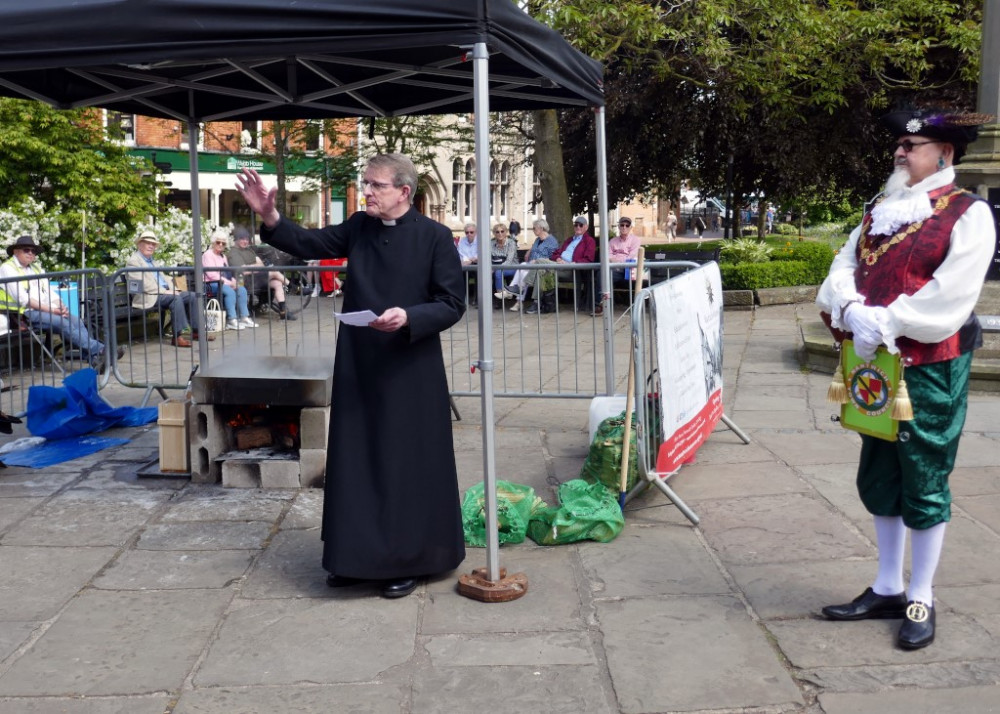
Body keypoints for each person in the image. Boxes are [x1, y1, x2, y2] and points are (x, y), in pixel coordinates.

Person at [235, 153, 466, 599]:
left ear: (404, 191)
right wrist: (268, 213)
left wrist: (409, 315)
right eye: (366, 184)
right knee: (357, 459)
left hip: (409, 367)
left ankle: (409, 559)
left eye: (376, 185)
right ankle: (356, 558)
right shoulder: (359, 226)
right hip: (361, 362)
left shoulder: (436, 237)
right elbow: (308, 243)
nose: (367, 192)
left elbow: (451, 302)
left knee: (402, 462)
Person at [816, 107, 996, 650]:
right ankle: (888, 585)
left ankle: (923, 594)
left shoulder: (970, 213)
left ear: (945, 153)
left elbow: (952, 293)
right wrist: (848, 309)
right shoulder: (882, 208)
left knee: (924, 473)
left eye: (912, 144)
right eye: (899, 142)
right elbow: (843, 264)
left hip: (932, 366)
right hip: (875, 363)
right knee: (880, 471)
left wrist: (885, 321)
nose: (901, 151)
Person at [0, 235, 123, 370]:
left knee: (77, 321)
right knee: (62, 322)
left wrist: (60, 304)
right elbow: (23, 299)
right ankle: (101, 349)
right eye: (26, 250)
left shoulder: (36, 268)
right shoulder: (7, 268)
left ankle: (94, 360)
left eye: (33, 251)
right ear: (16, 252)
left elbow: (48, 291)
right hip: (22, 315)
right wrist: (52, 310)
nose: (30, 253)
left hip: (45, 310)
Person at [126, 230, 214, 347]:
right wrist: (165, 291)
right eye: (148, 243)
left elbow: (165, 279)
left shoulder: (153, 261)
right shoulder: (133, 262)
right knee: (175, 299)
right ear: (140, 244)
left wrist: (174, 289)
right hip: (148, 296)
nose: (151, 246)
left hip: (163, 293)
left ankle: (197, 332)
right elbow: (142, 285)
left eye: (153, 244)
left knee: (192, 296)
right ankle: (177, 336)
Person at [226, 226, 297, 321]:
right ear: (236, 239)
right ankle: (293, 287)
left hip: (256, 278)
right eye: (242, 239)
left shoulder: (249, 250)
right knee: (274, 271)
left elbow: (261, 264)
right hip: (243, 281)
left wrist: (252, 266)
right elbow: (242, 270)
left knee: (277, 283)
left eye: (247, 239)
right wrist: (255, 266)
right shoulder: (233, 252)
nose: (245, 242)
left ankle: (283, 312)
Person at [583, 216, 642, 317]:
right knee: (602, 274)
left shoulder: (635, 240)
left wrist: (615, 259)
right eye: (622, 225)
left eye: (627, 225)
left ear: (630, 227)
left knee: (605, 274)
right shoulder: (613, 241)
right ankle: (601, 305)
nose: (624, 227)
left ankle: (604, 305)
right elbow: (607, 255)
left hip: (628, 270)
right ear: (619, 226)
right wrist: (615, 260)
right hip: (613, 269)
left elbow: (631, 256)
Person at [497, 218, 559, 312]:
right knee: (522, 266)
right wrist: (529, 251)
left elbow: (553, 258)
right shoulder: (538, 240)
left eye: (534, 228)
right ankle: (516, 294)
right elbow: (535, 248)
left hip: (542, 268)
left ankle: (517, 297)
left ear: (541, 228)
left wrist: (537, 260)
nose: (533, 230)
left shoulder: (551, 241)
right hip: (531, 265)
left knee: (524, 272)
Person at [202, 232, 256, 330]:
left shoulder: (223, 256)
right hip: (210, 284)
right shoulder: (208, 255)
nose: (221, 245)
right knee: (230, 292)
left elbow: (227, 272)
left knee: (241, 289)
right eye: (218, 242)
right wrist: (229, 283)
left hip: (222, 282)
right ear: (213, 243)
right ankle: (232, 320)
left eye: (223, 243)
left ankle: (244, 317)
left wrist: (234, 281)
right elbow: (212, 275)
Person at [489, 222, 518, 307]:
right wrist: (490, 267)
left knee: (498, 272)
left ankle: (499, 298)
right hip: (496, 267)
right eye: (497, 232)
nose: (500, 233)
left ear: (506, 232)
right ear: (494, 233)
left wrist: (494, 268)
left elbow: (509, 261)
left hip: (512, 266)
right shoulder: (491, 243)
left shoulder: (511, 243)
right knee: (484, 274)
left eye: (502, 231)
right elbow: (488, 258)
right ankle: (483, 299)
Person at [456, 222, 479, 307]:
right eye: (467, 232)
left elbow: (479, 255)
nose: (469, 234)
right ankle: (462, 299)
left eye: (471, 232)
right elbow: (460, 253)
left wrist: (470, 260)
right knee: (459, 274)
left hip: (476, 264)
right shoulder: (462, 241)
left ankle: (477, 299)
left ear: (475, 232)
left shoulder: (480, 240)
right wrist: (463, 261)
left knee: (478, 275)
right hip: (465, 264)